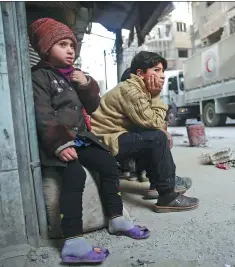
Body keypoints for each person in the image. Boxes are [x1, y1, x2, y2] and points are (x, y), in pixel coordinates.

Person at [28, 18, 149, 264]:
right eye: (62, 44)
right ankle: (72, 239)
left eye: (72, 45)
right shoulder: (39, 76)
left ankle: (116, 218)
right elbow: (43, 114)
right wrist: (59, 144)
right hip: (60, 141)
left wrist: (87, 85)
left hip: (82, 138)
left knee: (107, 163)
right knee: (75, 175)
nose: (70, 50)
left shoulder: (75, 76)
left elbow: (93, 106)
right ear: (46, 48)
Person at [91, 51, 199, 212]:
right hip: (105, 142)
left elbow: (149, 123)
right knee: (156, 138)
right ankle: (167, 196)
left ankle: (158, 184)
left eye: (162, 71)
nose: (161, 76)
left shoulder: (139, 88)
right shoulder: (131, 91)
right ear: (140, 73)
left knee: (153, 137)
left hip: (114, 137)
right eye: (156, 70)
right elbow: (154, 122)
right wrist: (156, 97)